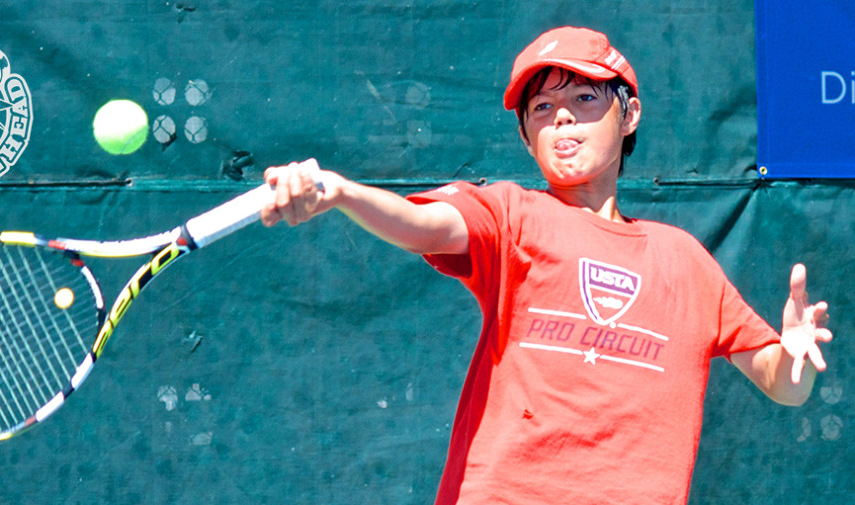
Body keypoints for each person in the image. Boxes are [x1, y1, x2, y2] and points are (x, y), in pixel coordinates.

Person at [259, 26, 832, 505]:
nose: (562, 119)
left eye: (584, 99)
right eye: (542, 107)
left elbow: (784, 386)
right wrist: (341, 193)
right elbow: (422, 227)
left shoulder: (684, 259)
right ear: (527, 136)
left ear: (628, 115)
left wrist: (797, 357)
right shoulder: (510, 214)